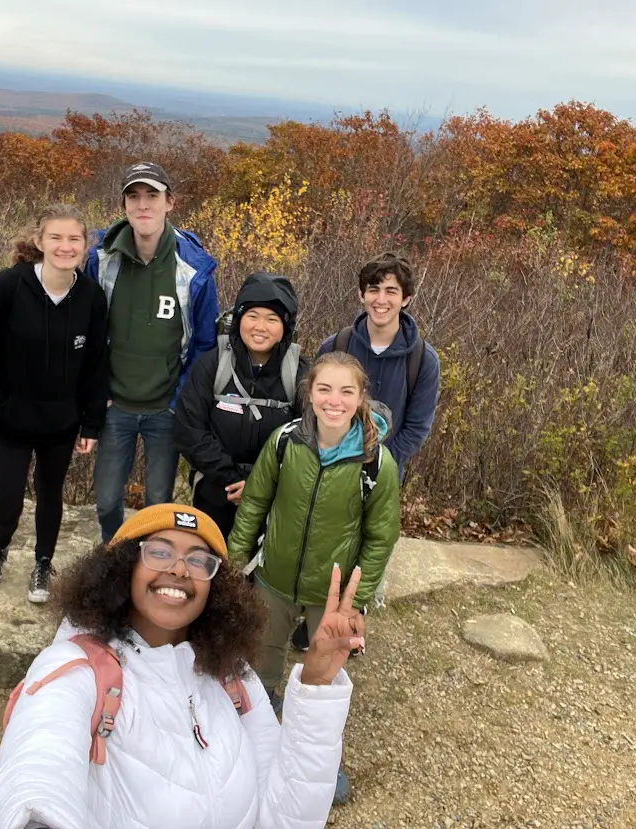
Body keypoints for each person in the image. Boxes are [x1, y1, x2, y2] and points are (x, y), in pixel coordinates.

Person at [0, 504, 362, 829]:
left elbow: (284, 817)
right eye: (159, 552)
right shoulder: (76, 668)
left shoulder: (233, 678)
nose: (180, 569)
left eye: (199, 560)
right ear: (122, 568)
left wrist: (315, 686)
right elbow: (37, 763)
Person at [228, 351, 401, 804]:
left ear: (361, 398)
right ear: (309, 392)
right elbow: (255, 504)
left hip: (333, 595)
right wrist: (234, 559)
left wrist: (356, 599)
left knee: (322, 680)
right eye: (324, 388)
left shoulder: (376, 464)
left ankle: (321, 763)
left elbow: (381, 537)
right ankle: (253, 746)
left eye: (347, 391)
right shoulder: (284, 442)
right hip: (274, 580)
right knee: (258, 668)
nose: (334, 400)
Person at [0, 205, 109, 603]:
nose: (65, 247)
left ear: (86, 245)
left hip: (60, 423)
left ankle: (43, 563)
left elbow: (97, 366)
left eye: (74, 239)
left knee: (51, 495)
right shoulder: (8, 288)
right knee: (8, 496)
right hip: (8, 421)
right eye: (57, 238)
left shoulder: (91, 297)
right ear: (39, 242)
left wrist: (90, 424)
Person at [83, 162, 219, 543]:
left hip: (165, 407)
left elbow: (206, 343)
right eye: (134, 196)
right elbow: (90, 333)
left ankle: (151, 568)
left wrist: (180, 400)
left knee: (158, 503)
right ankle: (114, 558)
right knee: (108, 501)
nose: (143, 204)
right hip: (116, 407)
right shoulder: (102, 259)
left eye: (152, 195)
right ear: (124, 204)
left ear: (170, 202)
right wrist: (97, 394)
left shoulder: (193, 269)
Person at [174, 272, 307, 539]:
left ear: (285, 327)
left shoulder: (301, 375)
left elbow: (308, 442)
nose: (260, 326)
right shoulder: (212, 365)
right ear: (239, 319)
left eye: (272, 319)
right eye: (252, 316)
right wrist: (231, 477)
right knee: (214, 565)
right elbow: (190, 430)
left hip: (275, 500)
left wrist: (258, 484)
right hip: (215, 493)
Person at [319, 252, 440, 483]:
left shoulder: (423, 360)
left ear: (406, 298)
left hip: (385, 477)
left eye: (391, 291)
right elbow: (314, 409)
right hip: (329, 474)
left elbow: (416, 429)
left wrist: (379, 466)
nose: (381, 300)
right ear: (361, 294)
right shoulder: (334, 346)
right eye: (373, 289)